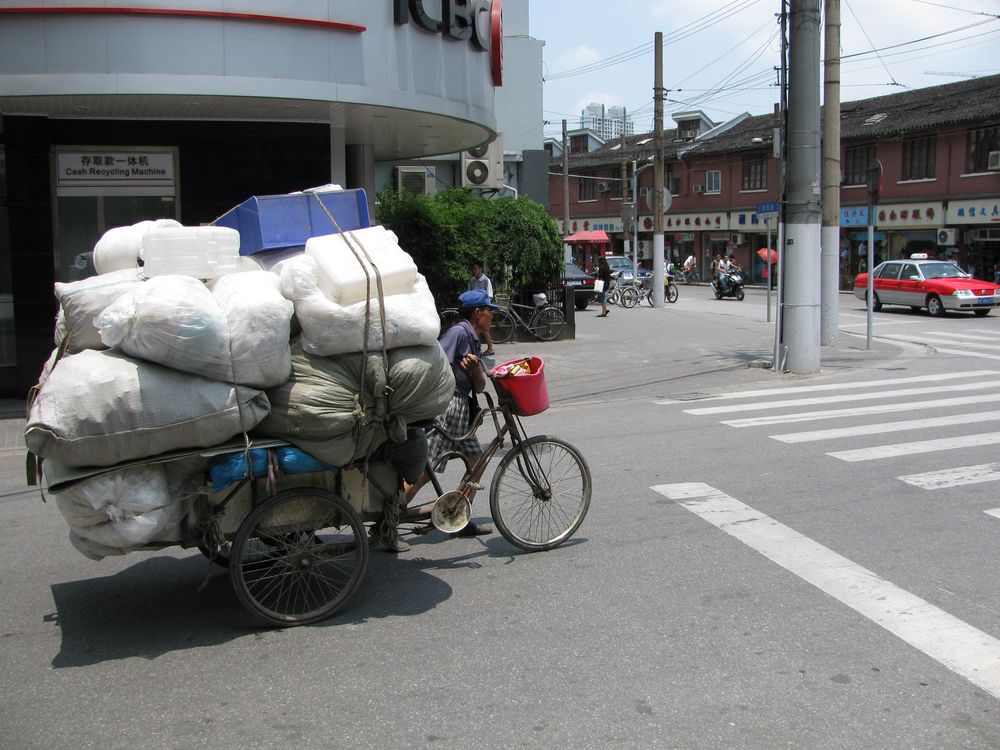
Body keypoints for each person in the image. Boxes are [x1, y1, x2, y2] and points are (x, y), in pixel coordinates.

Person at [404, 288, 496, 537]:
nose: (492, 316)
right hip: (448, 406)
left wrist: (476, 368)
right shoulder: (458, 333)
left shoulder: (473, 338)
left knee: (478, 460)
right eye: (489, 311)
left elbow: (479, 385)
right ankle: (389, 519)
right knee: (426, 470)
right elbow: (436, 366)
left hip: (461, 408)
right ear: (478, 313)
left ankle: (459, 518)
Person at [467, 261, 496, 356]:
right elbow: (469, 294)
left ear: (480, 269)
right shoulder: (471, 280)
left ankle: (488, 348)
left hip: (483, 309)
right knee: (475, 328)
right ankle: (476, 349)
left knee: (483, 329)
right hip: (474, 309)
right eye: (473, 268)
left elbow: (490, 296)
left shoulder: (486, 281)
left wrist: (484, 309)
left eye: (475, 268)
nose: (474, 270)